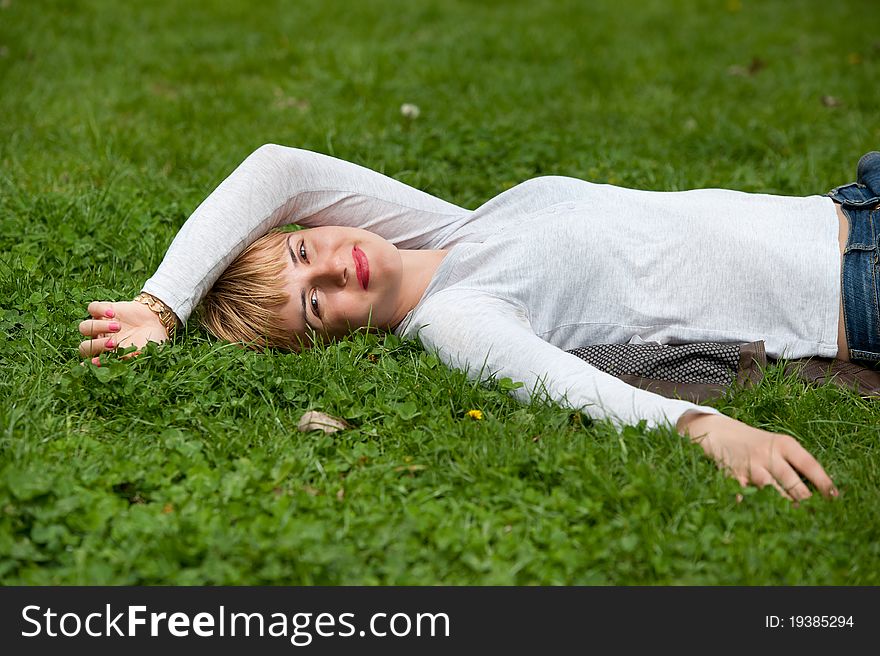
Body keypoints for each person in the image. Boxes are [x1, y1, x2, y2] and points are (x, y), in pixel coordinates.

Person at [78, 145, 880, 502]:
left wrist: (162, 304)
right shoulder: (457, 317)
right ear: (337, 338)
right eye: (316, 301)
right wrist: (706, 427)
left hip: (851, 204)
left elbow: (280, 169)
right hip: (858, 285)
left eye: (300, 248)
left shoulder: (457, 229)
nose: (331, 263)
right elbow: (561, 382)